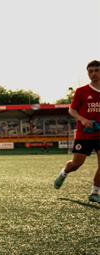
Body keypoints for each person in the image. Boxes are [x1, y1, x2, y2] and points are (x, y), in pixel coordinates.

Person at [53, 60, 100, 202]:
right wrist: (83, 120)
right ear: (88, 73)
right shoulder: (81, 91)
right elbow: (71, 109)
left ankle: (94, 193)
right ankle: (64, 172)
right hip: (84, 134)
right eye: (90, 71)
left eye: (97, 70)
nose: (93, 73)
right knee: (76, 164)